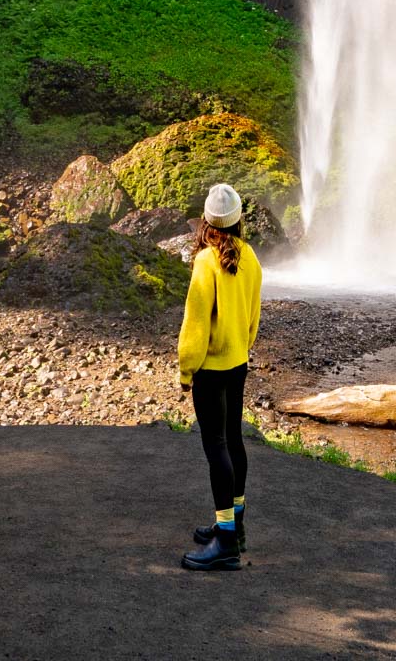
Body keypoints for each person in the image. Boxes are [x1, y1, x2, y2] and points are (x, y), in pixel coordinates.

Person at [178, 181, 263, 572]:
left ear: (207, 223)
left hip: (211, 369)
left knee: (216, 448)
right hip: (238, 363)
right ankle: (235, 523)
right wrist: (242, 346)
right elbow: (253, 317)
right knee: (233, 440)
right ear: (238, 221)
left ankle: (225, 542)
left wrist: (185, 369)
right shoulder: (251, 258)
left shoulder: (205, 263)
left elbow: (194, 325)